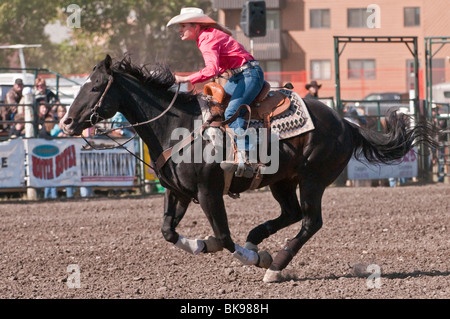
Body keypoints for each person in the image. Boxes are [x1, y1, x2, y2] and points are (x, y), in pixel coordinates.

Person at [167, 7, 264, 178]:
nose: (179, 30)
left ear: (196, 26)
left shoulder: (207, 38)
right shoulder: (207, 35)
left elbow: (211, 69)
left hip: (248, 75)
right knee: (216, 107)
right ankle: (227, 150)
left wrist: (185, 78)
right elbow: (217, 66)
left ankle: (248, 158)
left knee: (232, 111)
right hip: (240, 76)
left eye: (183, 26)